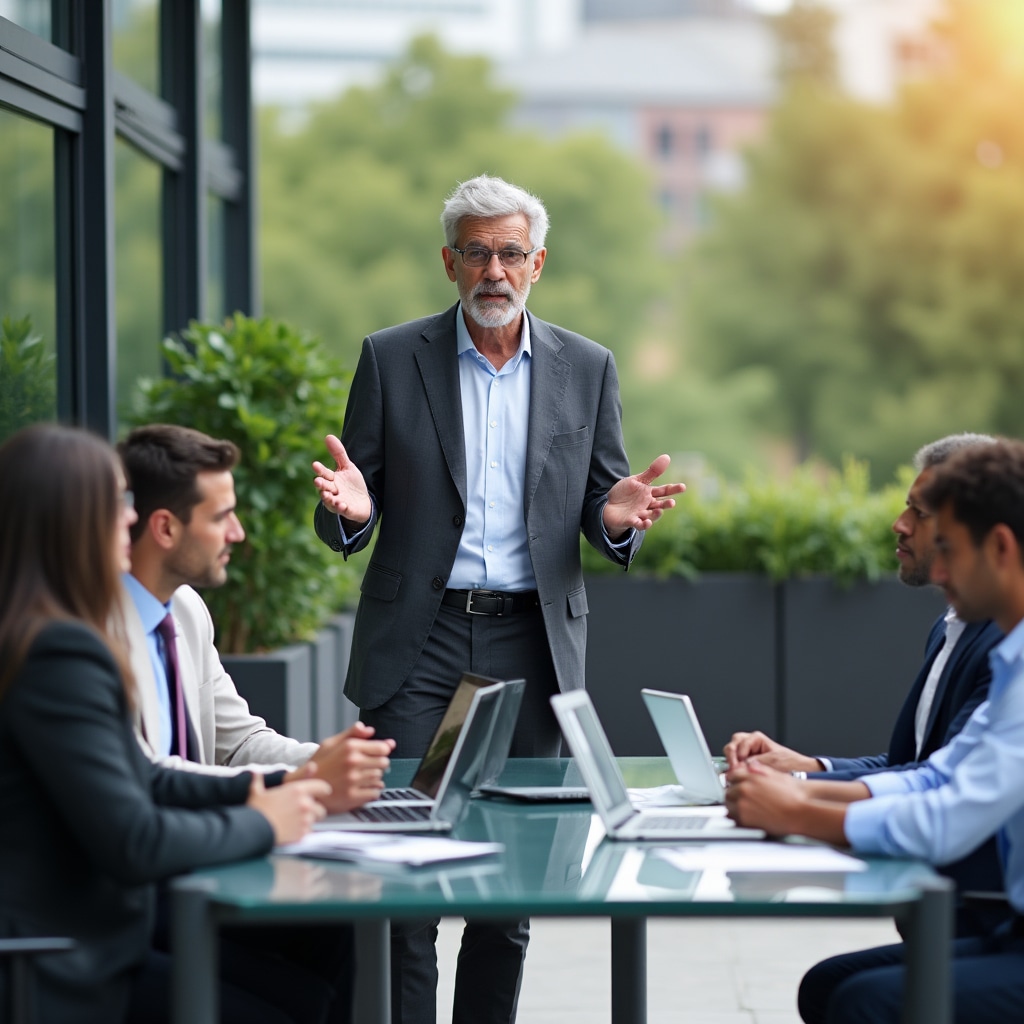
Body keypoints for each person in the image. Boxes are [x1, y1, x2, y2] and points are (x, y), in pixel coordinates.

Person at [311, 174, 684, 1024]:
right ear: (449, 262)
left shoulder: (587, 367)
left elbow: (603, 502)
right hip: (420, 640)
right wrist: (352, 515)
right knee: (403, 877)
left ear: (537, 264)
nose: (494, 270)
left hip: (531, 644)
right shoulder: (389, 358)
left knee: (509, 884)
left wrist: (613, 520)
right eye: (476, 252)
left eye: (511, 253)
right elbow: (349, 495)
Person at [0, 424, 329, 1024]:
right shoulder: (56, 652)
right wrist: (264, 823)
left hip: (90, 932)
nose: (130, 520)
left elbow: (147, 777)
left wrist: (291, 785)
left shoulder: (41, 635)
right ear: (70, 524)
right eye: (116, 504)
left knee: (313, 990)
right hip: (64, 959)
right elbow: (136, 839)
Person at [725, 438, 1024, 1024]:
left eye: (949, 548)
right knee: (828, 986)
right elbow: (936, 776)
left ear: (1000, 547)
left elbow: (948, 818)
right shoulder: (1011, 659)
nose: (939, 570)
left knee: (864, 1002)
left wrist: (799, 812)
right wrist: (797, 791)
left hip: (995, 915)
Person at [118, 422, 396, 1024]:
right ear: (165, 528)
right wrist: (300, 785)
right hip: (139, 892)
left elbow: (239, 739)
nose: (238, 533)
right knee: (296, 997)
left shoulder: (185, 610)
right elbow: (149, 776)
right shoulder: (90, 634)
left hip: (192, 865)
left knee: (336, 926)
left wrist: (334, 760)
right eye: (222, 517)